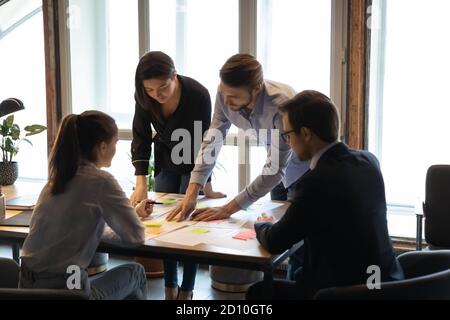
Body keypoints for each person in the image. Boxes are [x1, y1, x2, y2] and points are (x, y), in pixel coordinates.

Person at [246, 90, 404, 299]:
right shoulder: (369, 161)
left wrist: (262, 224)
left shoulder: (313, 182)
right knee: (301, 272)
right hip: (386, 283)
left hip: (343, 292)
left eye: (287, 135)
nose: (287, 143)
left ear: (305, 134)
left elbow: (276, 241)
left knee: (258, 293)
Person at [166, 54, 309, 279]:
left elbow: (275, 167)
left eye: (233, 96)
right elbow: (212, 140)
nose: (226, 100)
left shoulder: (281, 103)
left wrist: (228, 209)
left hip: (306, 172)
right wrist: (193, 191)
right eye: (224, 93)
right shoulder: (225, 94)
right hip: (279, 174)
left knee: (300, 246)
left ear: (256, 90)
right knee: (278, 241)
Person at [20, 111, 152, 300]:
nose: (116, 148)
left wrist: (132, 214)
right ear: (102, 147)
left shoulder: (56, 179)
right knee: (136, 272)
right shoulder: (101, 181)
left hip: (27, 288)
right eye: (115, 142)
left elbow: (72, 226)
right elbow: (136, 237)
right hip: (67, 289)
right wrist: (124, 222)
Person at [130, 51, 225, 300]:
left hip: (192, 160)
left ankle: (187, 290)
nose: (157, 96)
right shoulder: (144, 96)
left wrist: (205, 185)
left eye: (163, 88)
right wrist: (141, 184)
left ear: (175, 75)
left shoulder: (198, 95)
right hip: (165, 158)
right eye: (150, 90)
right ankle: (170, 287)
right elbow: (140, 137)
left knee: (188, 221)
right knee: (165, 222)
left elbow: (205, 142)